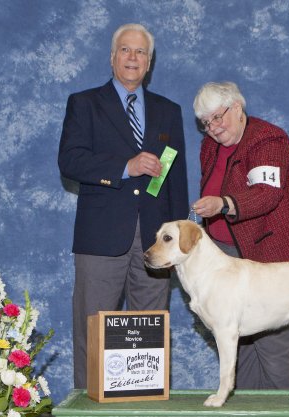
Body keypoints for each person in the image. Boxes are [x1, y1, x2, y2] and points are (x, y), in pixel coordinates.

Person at [58, 23, 188, 389]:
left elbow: (175, 177)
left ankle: (144, 410)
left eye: (141, 52)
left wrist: (179, 236)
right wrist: (124, 168)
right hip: (100, 237)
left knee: (151, 332)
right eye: (126, 50)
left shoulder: (169, 110)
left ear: (150, 62)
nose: (133, 58)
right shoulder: (83, 103)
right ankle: (88, 410)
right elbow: (70, 161)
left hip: (156, 238)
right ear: (113, 57)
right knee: (93, 328)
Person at [191, 81, 289, 390]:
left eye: (218, 117)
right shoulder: (210, 146)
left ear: (238, 106)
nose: (214, 128)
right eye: (206, 123)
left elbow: (265, 194)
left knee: (276, 350)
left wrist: (225, 204)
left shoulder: (268, 139)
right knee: (237, 348)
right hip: (224, 258)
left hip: (272, 256)